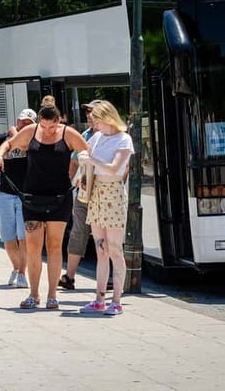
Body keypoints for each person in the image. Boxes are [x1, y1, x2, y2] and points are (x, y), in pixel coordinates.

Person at [0, 105, 88, 310]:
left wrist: (82, 174)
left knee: (54, 246)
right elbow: (7, 144)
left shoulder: (68, 133)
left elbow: (88, 153)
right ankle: (33, 294)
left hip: (59, 197)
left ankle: (52, 295)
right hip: (32, 197)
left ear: (58, 122)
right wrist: (0, 156)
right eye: (43, 126)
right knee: (33, 247)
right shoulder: (31, 131)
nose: (47, 131)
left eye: (51, 127)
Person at [78, 101, 134, 316]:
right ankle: (99, 298)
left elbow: (114, 168)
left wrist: (90, 159)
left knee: (114, 249)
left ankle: (117, 300)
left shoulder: (123, 139)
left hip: (113, 192)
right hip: (97, 192)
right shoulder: (98, 137)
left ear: (107, 119)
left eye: (97, 121)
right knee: (101, 249)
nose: (95, 125)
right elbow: (85, 153)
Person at [0, 108, 36, 288]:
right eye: (22, 122)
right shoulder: (5, 138)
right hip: (5, 192)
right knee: (8, 237)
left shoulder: (35, 140)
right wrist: (1, 151)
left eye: (28, 123)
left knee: (23, 237)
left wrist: (14, 140)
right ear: (17, 121)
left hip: (25, 195)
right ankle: (16, 268)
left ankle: (22, 273)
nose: (24, 126)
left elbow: (27, 147)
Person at [60, 99, 102, 290]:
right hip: (82, 193)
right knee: (78, 232)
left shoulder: (112, 136)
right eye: (87, 112)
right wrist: (71, 185)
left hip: (103, 194)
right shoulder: (84, 135)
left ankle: (108, 277)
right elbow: (74, 163)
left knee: (104, 235)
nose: (89, 116)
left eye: (92, 112)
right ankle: (69, 276)